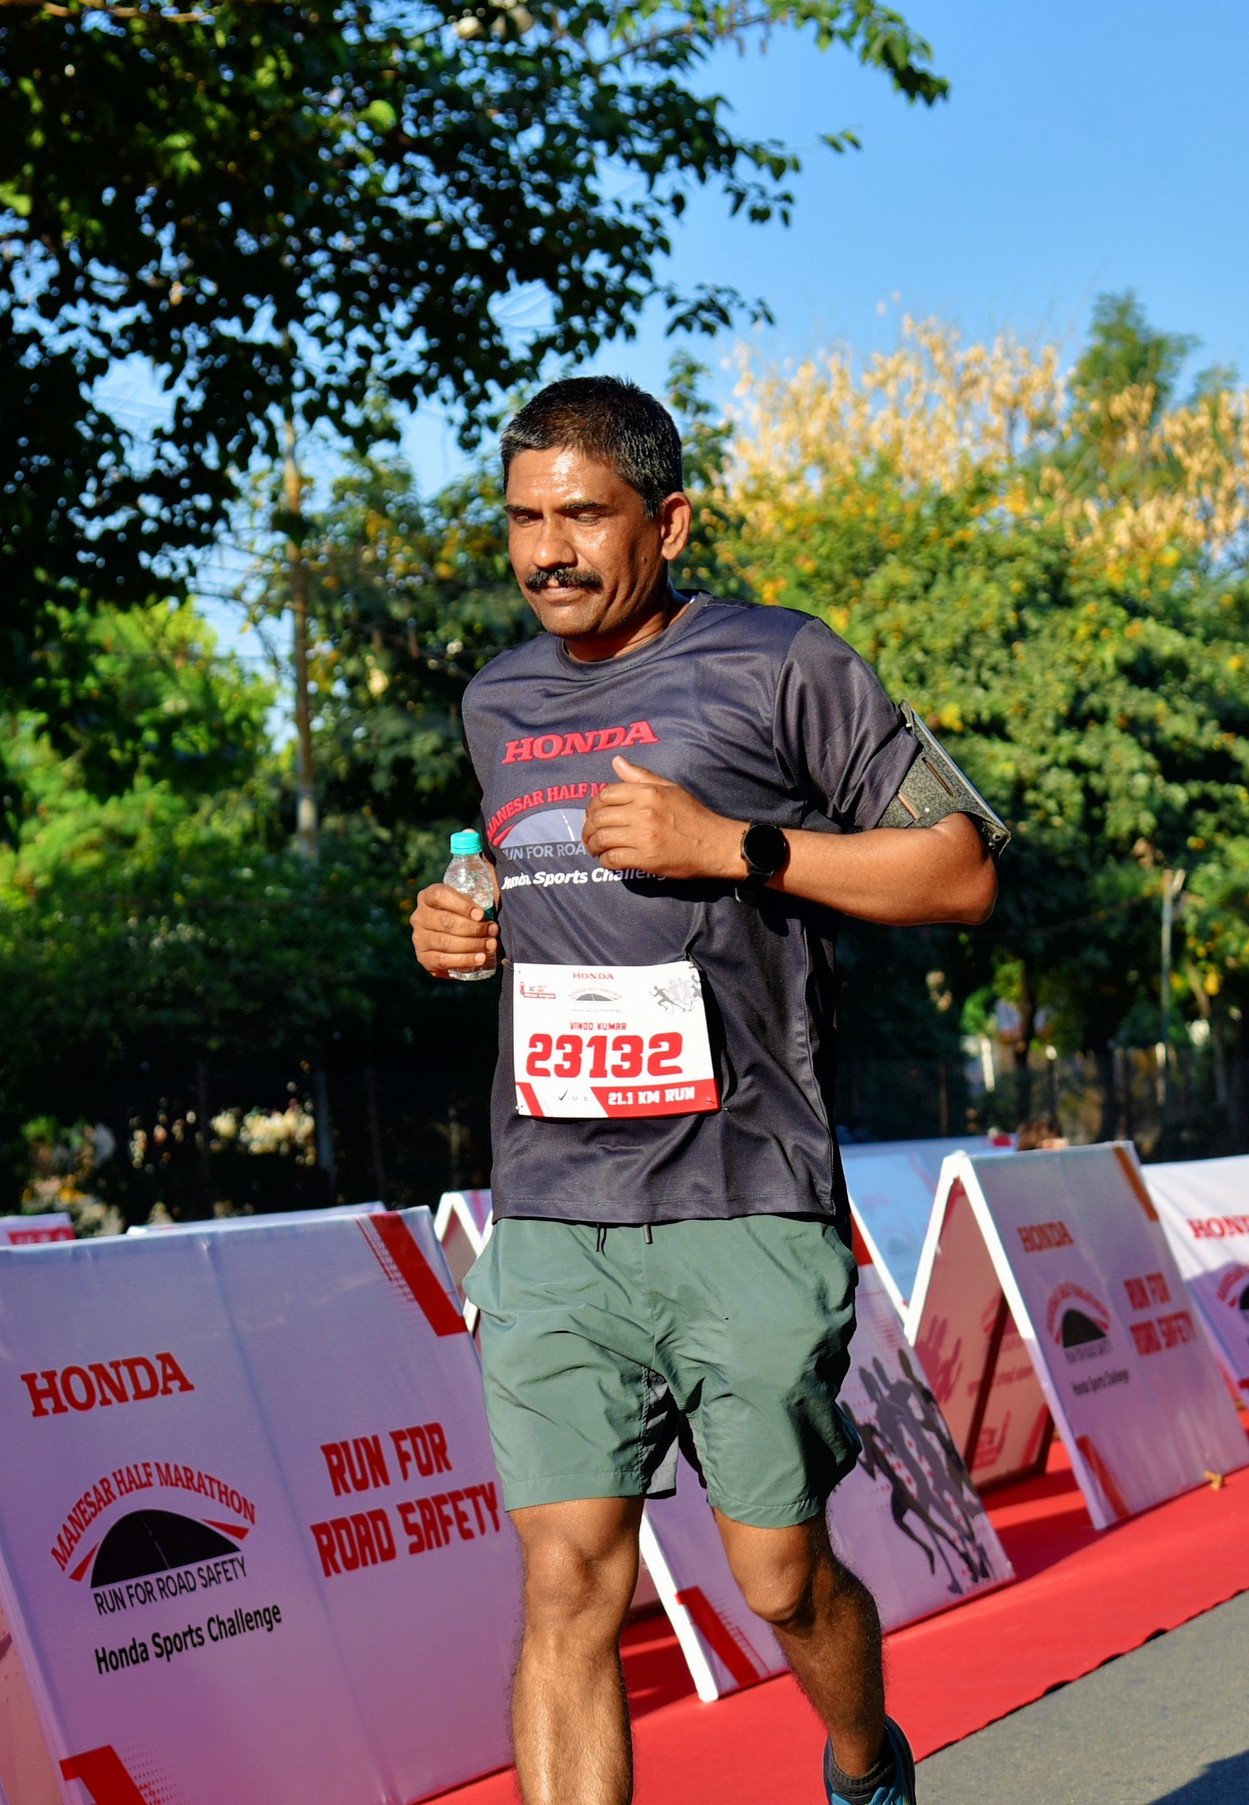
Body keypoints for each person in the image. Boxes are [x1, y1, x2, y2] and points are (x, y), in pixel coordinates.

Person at [409, 376, 999, 1805]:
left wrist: (735, 844)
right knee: (567, 1580)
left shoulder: (779, 662)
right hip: (553, 1200)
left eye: (582, 515)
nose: (547, 550)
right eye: (522, 519)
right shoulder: (496, 699)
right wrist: (456, 925)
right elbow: (528, 889)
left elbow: (960, 870)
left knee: (777, 1573)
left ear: (666, 522)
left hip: (743, 1192)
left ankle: (862, 1758)